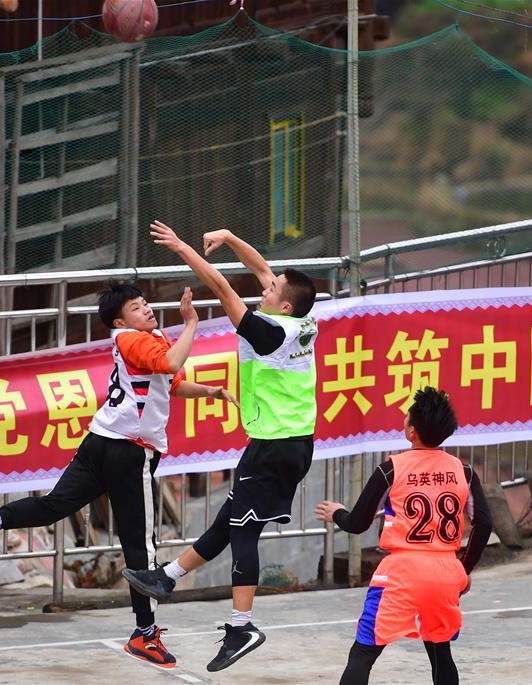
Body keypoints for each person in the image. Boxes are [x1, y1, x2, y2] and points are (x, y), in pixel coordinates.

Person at [0, 282, 237, 670]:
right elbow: (172, 364)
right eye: (136, 307)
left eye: (145, 303)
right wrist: (191, 322)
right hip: (129, 452)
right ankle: (144, 635)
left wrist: (210, 392)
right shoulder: (132, 339)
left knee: (55, 505)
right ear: (120, 321)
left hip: (100, 441)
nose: (147, 309)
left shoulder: (147, 339)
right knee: (141, 546)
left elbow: (171, 383)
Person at [122, 221, 319, 672]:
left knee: (243, 531)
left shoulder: (269, 333)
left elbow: (220, 287)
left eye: (272, 290)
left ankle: (241, 626)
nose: (265, 288)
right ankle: (167, 577)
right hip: (290, 442)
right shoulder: (303, 319)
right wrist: (229, 238)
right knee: (230, 520)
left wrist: (181, 246)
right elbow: (262, 270)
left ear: (284, 304)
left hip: (273, 445)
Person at [315, 387, 492, 685]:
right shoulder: (463, 471)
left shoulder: (391, 469)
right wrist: (463, 569)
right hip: (446, 570)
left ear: (412, 432)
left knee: (363, 654)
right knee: (440, 652)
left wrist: (337, 513)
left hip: (402, 571)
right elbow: (483, 524)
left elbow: (358, 523)